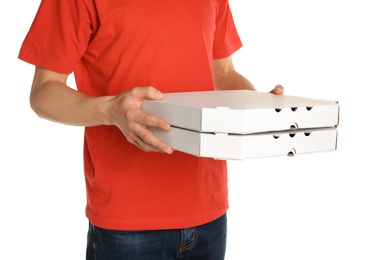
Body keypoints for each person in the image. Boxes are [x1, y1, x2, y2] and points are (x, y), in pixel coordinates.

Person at [19, 0, 283, 259]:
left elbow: (222, 74)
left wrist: (259, 106)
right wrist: (112, 109)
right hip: (128, 223)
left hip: (209, 212)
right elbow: (44, 92)